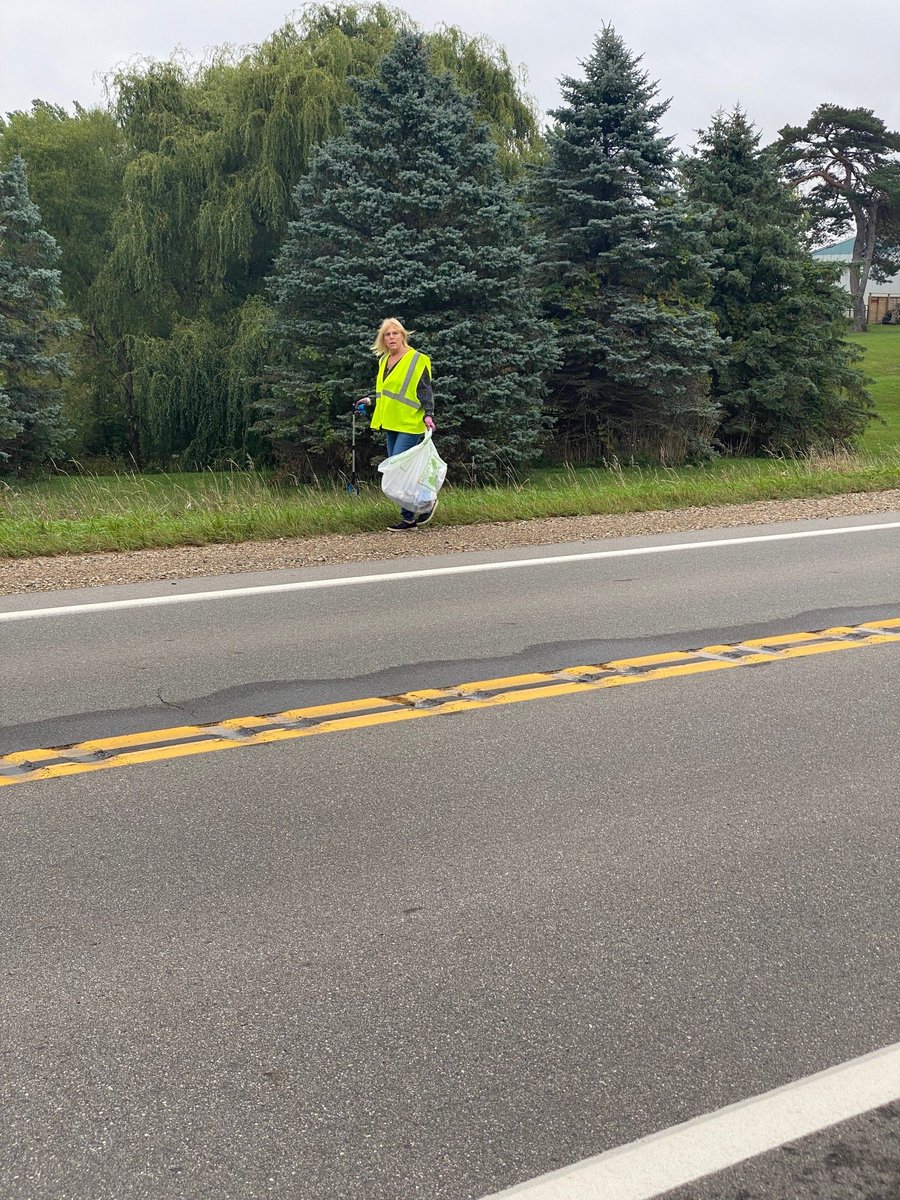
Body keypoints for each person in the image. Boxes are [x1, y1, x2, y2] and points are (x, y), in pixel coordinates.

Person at [365, 317, 438, 531]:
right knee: (397, 473)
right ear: (383, 339)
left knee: (400, 470)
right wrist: (370, 401)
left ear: (403, 335)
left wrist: (428, 414)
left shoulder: (417, 359)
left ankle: (426, 502)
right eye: (387, 335)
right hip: (391, 423)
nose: (391, 338)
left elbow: (425, 390)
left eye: (395, 333)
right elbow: (387, 392)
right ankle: (409, 519)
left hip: (410, 423)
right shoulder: (383, 361)